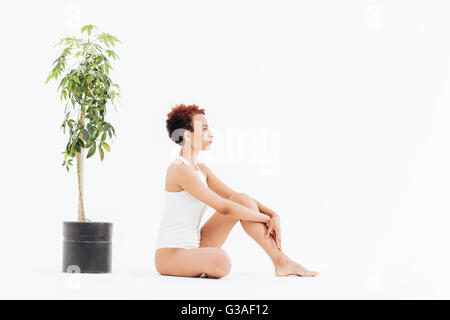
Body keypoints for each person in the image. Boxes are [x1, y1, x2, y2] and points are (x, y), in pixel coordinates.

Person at [154, 104, 319, 279]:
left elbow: (237, 198)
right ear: (187, 135)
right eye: (204, 128)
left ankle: (281, 262)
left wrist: (273, 214)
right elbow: (225, 208)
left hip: (197, 243)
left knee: (242, 200)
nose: (211, 133)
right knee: (221, 261)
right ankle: (200, 263)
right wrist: (266, 219)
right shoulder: (179, 169)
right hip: (171, 255)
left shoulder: (201, 169)